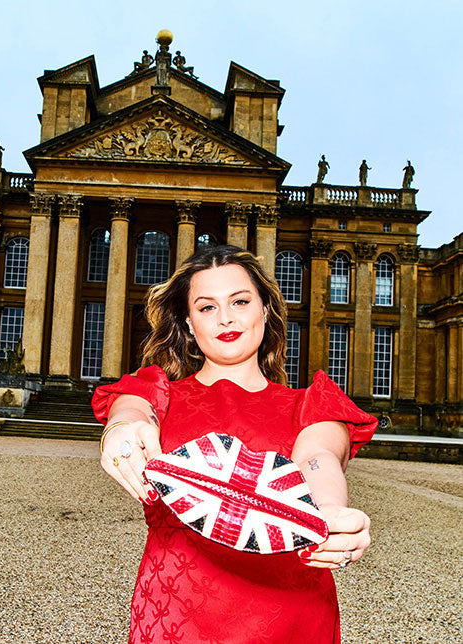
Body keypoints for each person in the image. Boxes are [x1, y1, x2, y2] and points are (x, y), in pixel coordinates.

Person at [92, 245, 377, 643]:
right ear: (189, 323)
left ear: (264, 310)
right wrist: (121, 429)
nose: (225, 317)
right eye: (206, 307)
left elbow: (318, 457)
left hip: (288, 614)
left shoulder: (311, 403)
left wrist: (327, 512)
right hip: (176, 612)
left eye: (240, 301)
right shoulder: (157, 392)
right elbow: (133, 412)